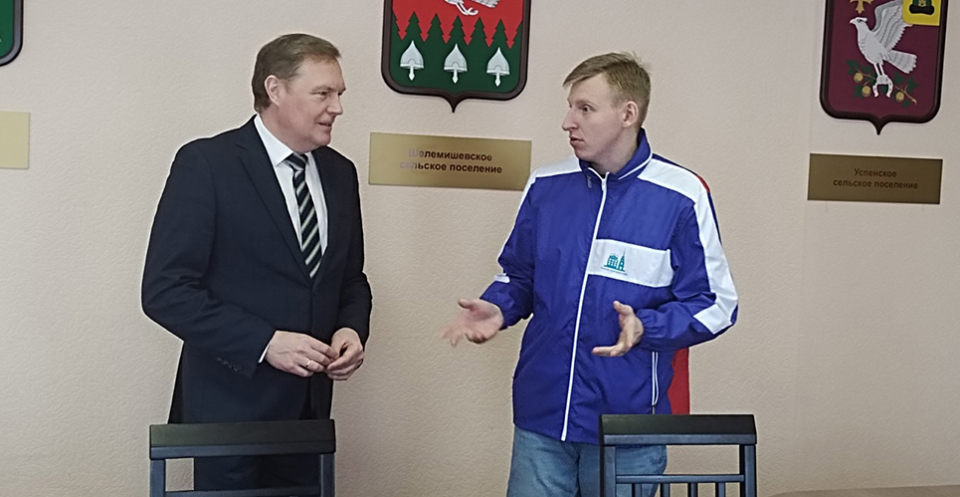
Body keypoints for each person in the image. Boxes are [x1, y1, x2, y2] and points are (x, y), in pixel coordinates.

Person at [440, 52, 738, 497]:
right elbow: (519, 276)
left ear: (627, 114)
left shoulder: (681, 195)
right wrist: (498, 308)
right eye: (570, 107)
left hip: (628, 427)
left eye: (585, 108)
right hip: (543, 419)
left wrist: (647, 326)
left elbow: (717, 304)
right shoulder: (546, 184)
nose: (568, 122)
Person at [142, 33, 371, 492]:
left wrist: (351, 328)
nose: (337, 108)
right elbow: (166, 292)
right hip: (228, 413)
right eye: (323, 93)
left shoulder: (340, 173)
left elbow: (350, 279)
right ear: (275, 89)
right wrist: (265, 343)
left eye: (339, 94)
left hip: (308, 416)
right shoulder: (207, 163)